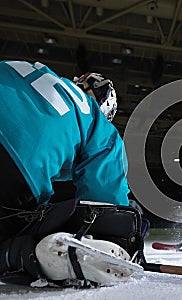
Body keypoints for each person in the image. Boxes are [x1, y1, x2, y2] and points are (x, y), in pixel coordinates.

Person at [0, 61, 144, 286]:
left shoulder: (42, 77)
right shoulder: (98, 125)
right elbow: (105, 204)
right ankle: (26, 254)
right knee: (19, 236)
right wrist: (120, 237)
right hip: (17, 160)